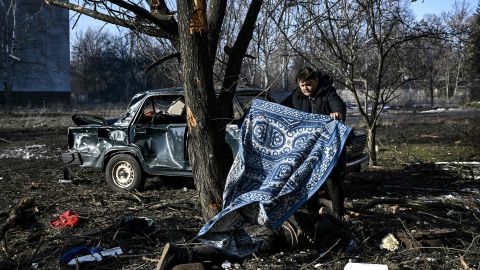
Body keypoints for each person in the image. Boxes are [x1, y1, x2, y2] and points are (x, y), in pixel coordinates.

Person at [281, 66, 347, 219]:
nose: (305, 88)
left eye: (309, 84)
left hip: (328, 145)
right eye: (302, 85)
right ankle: (312, 214)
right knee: (309, 179)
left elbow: (338, 105)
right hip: (307, 147)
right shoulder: (295, 96)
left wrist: (338, 113)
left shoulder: (327, 92)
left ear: (316, 80)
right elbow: (281, 109)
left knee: (332, 178)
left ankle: (339, 215)